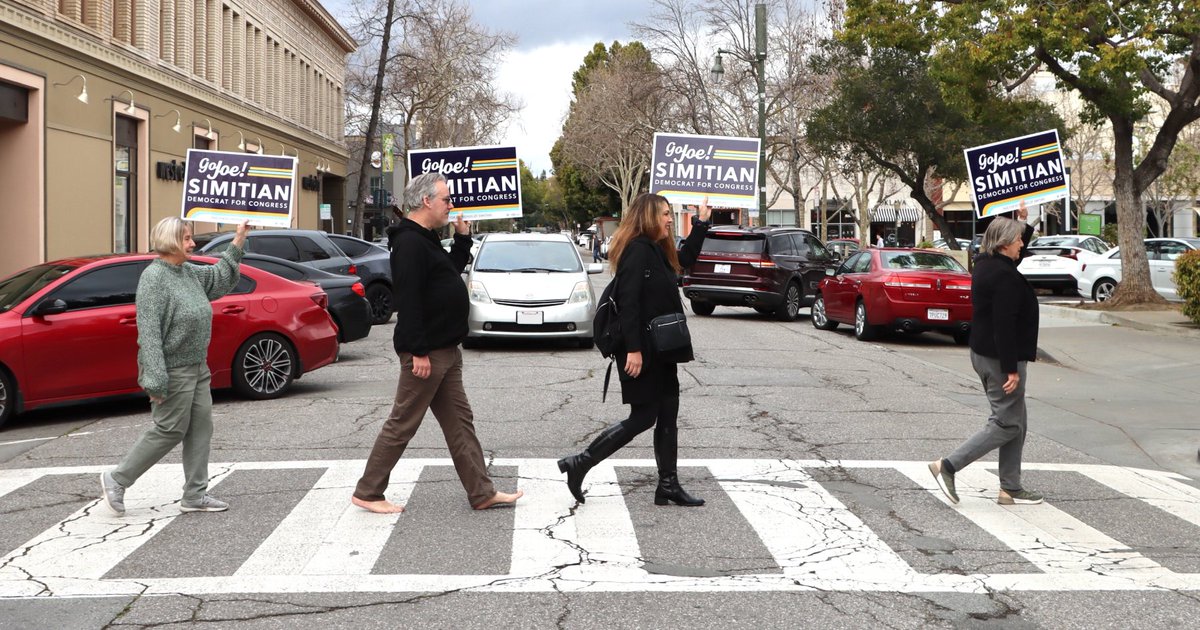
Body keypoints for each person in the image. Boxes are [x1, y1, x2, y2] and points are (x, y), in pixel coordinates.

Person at [351, 172, 523, 514]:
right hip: (427, 351)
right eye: (446, 199)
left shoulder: (424, 238)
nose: (451, 205)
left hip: (445, 350)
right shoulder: (409, 243)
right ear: (426, 200)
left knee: (460, 422)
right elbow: (409, 299)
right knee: (403, 422)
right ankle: (368, 492)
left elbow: (447, 273)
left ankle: (481, 492)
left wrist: (462, 240)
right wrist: (418, 350)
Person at [558, 193, 711, 506]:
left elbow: (686, 260)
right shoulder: (637, 251)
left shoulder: (656, 249)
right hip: (643, 350)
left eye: (671, 214)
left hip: (664, 349)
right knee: (644, 417)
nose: (670, 219)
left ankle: (668, 485)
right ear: (649, 216)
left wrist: (702, 223)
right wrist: (634, 351)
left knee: (668, 414)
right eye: (665, 214)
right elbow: (628, 304)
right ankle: (581, 463)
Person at [99, 217, 249, 516]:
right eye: (187, 239)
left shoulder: (186, 272)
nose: (193, 244)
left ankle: (195, 495)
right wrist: (155, 379)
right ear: (170, 241)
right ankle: (117, 479)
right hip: (172, 370)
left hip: (197, 367)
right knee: (169, 429)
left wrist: (239, 239)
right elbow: (149, 333)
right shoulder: (154, 279)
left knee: (200, 430)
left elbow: (219, 277)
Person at [929, 201, 1043, 506]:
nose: (1022, 243)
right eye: (1019, 239)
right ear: (1005, 244)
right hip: (999, 357)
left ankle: (1010, 487)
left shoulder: (988, 264)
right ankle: (948, 466)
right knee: (1006, 423)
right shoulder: (1003, 276)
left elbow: (1013, 260)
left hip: (986, 353)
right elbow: (1003, 325)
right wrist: (1011, 369)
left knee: (1016, 421)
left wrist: (1022, 223)